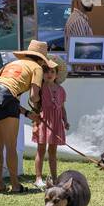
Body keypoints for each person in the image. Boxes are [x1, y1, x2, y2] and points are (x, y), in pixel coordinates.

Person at [0, 39, 53, 194]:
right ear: (41, 59)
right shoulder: (37, 68)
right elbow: (33, 97)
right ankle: (15, 185)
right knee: (10, 145)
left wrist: (28, 113)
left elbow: (6, 95)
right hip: (5, 96)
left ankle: (0, 184)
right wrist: (41, 104)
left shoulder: (13, 63)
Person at [32, 58, 68, 188]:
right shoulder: (40, 88)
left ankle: (54, 178)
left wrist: (66, 120)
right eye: (46, 71)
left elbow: (62, 108)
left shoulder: (61, 90)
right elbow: (34, 102)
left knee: (53, 151)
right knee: (41, 150)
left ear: (56, 74)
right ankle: (38, 178)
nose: (49, 74)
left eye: (52, 71)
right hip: (43, 121)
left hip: (56, 122)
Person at [64, 0, 95, 70]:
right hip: (82, 73)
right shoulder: (79, 20)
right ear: (78, 0)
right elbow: (83, 54)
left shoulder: (78, 18)